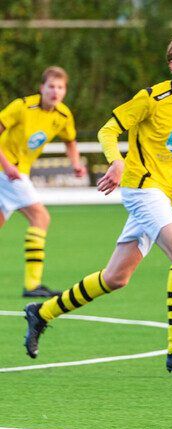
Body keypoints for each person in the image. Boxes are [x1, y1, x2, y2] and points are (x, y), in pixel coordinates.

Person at [23, 34, 172, 373]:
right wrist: (117, 161)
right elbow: (107, 131)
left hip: (165, 194)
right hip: (142, 188)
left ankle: (42, 313)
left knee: (115, 278)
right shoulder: (150, 98)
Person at [0, 66, 86, 298]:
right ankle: (32, 285)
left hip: (15, 172)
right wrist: (7, 166)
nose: (55, 91)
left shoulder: (63, 115)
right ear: (42, 88)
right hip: (7, 170)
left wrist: (76, 163)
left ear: (65, 90)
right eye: (51, 86)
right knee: (41, 217)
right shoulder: (22, 106)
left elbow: (70, 140)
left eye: (60, 87)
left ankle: (32, 285)